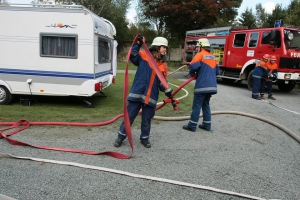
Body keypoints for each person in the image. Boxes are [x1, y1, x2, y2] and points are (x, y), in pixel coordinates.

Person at [114, 34, 172, 148]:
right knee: (129, 116)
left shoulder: (164, 65)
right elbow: (132, 55)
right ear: (157, 47)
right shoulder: (144, 56)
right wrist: (137, 44)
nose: (165, 49)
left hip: (151, 97)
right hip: (137, 93)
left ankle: (144, 139)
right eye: (163, 47)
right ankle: (120, 137)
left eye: (166, 47)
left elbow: (162, 83)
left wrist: (167, 90)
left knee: (147, 119)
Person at [182, 38, 219, 132]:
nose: (197, 48)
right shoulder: (213, 57)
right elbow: (217, 72)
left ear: (201, 46)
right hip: (212, 86)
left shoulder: (200, 55)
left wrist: (193, 73)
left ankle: (192, 126)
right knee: (206, 104)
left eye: (198, 46)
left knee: (197, 105)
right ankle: (207, 125)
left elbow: (193, 68)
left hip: (202, 86)